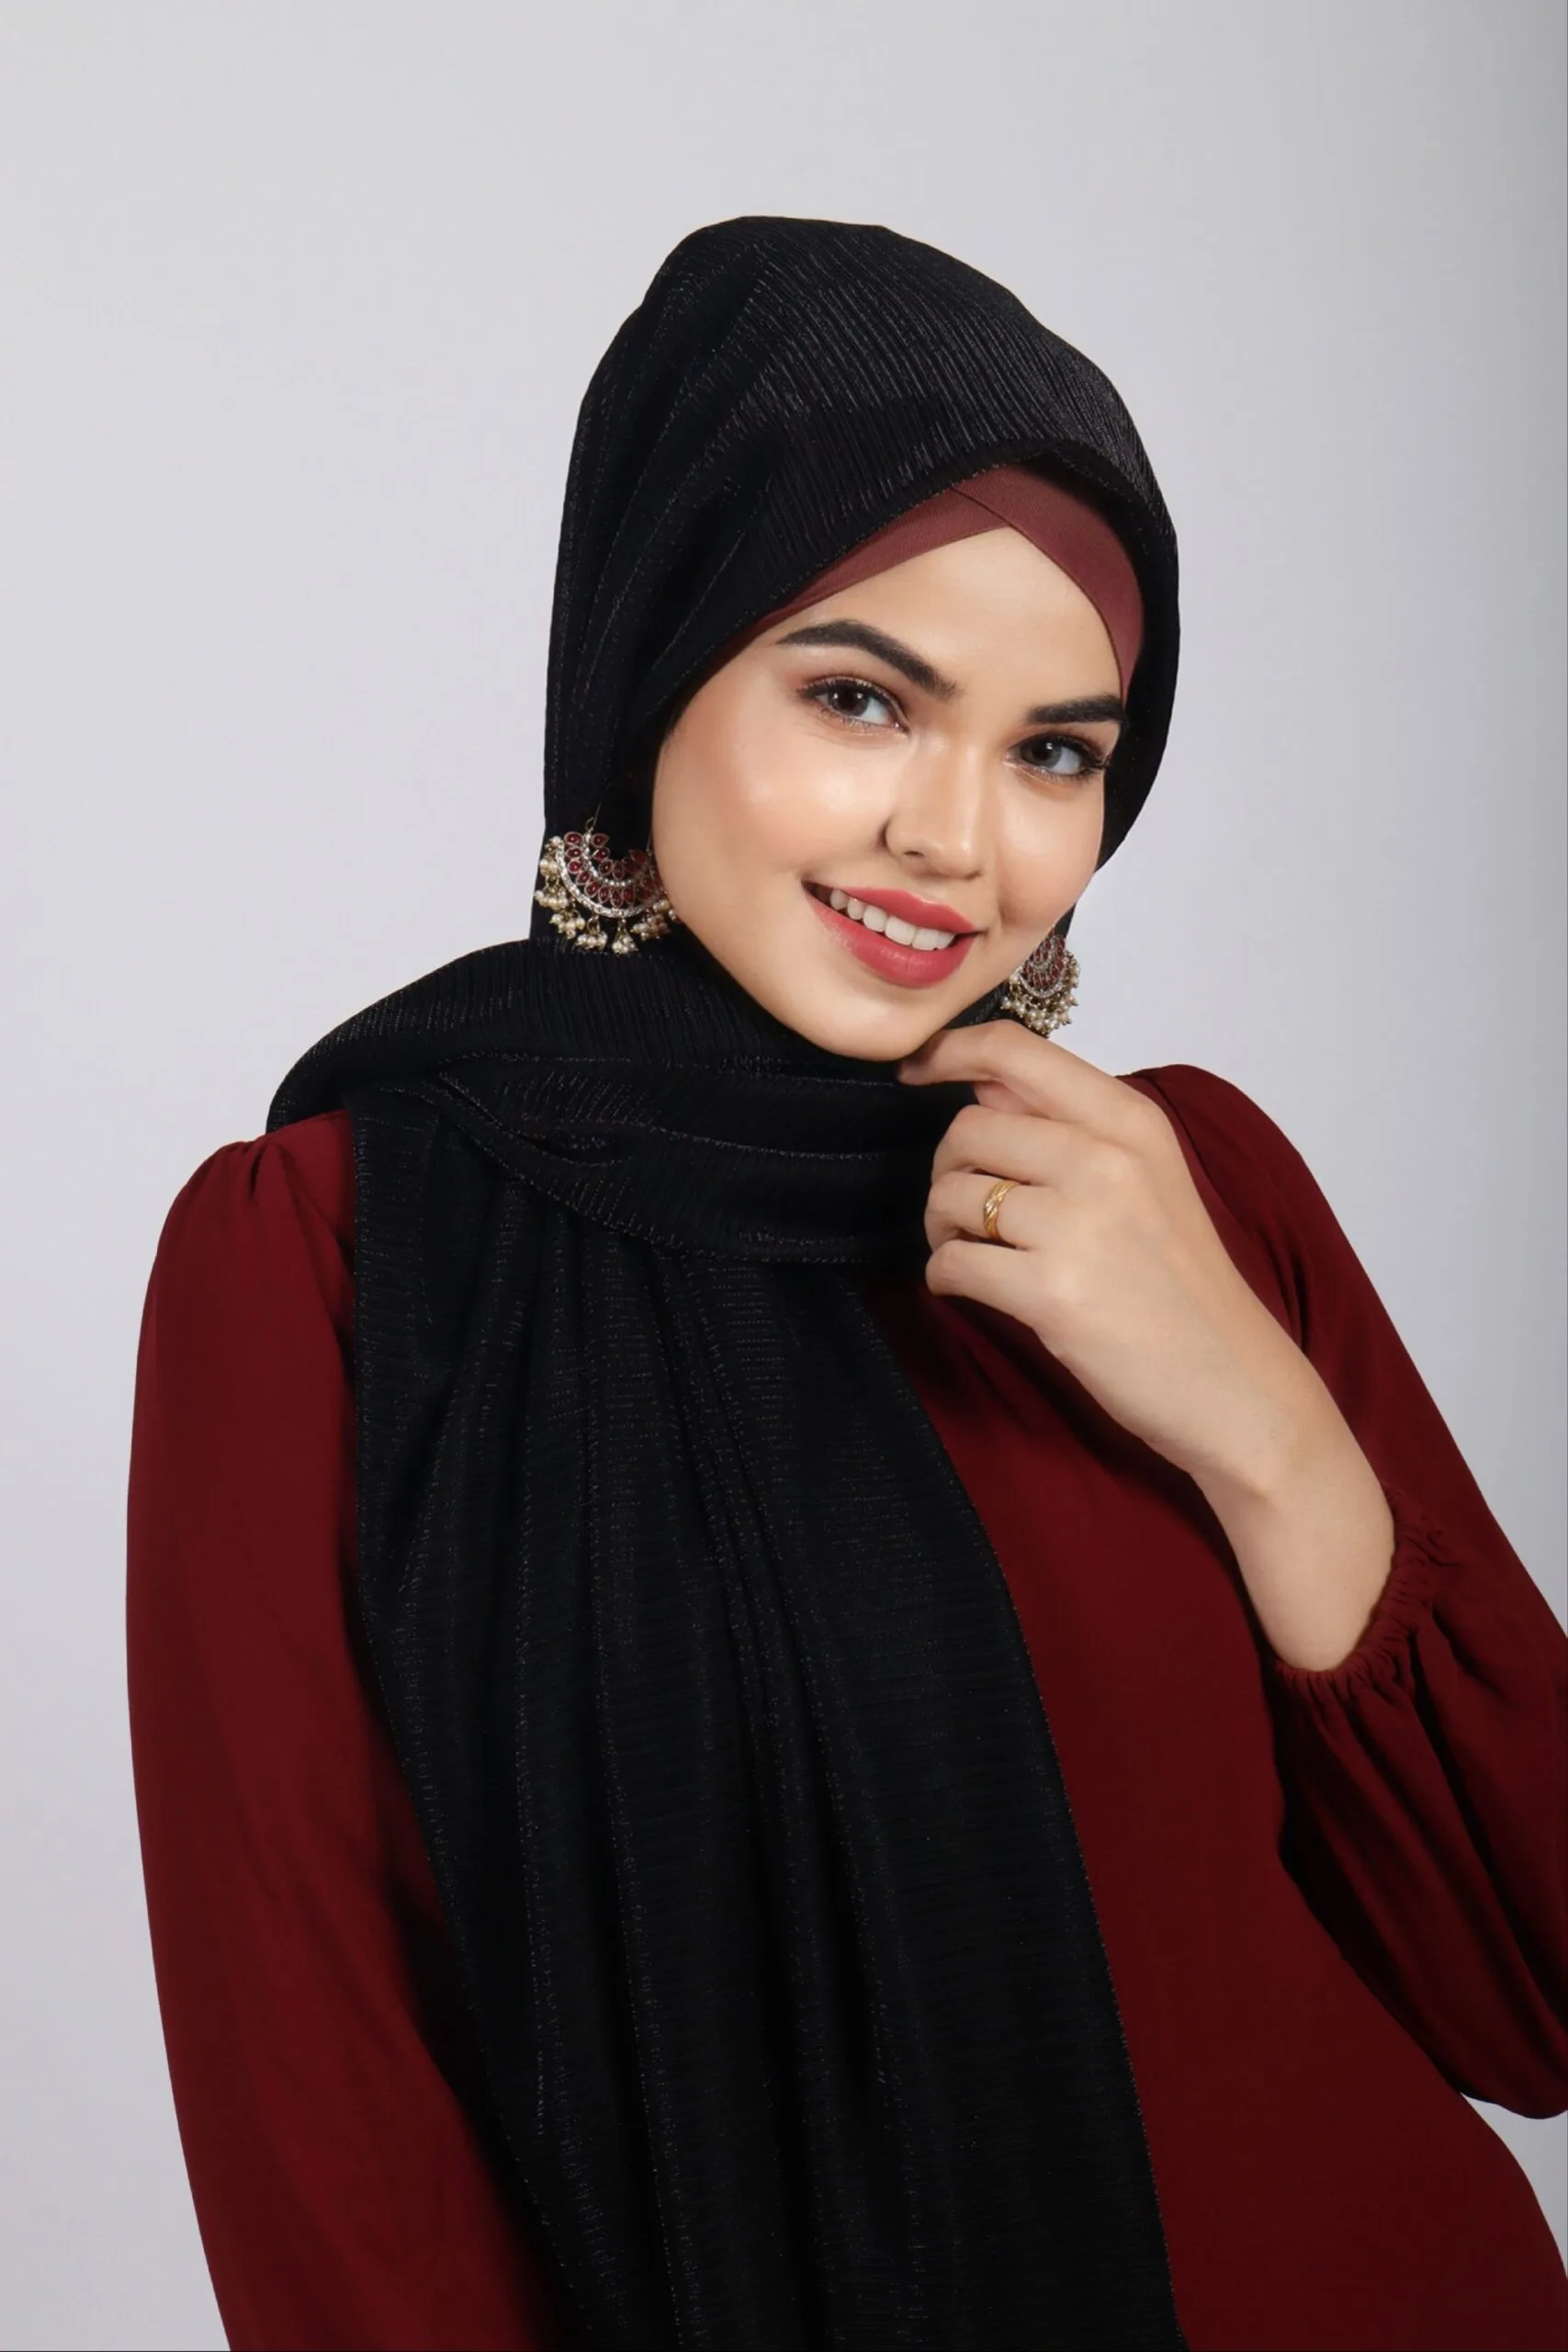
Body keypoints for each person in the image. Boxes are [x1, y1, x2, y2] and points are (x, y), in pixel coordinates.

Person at [127, 217, 1567, 2352]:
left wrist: (1267, 1435)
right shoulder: (333, 1257)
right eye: (860, 697)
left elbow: (1528, 1988)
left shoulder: (1183, 1188)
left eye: (1054, 749)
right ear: (651, 659)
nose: (955, 840)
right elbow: (329, 2139)